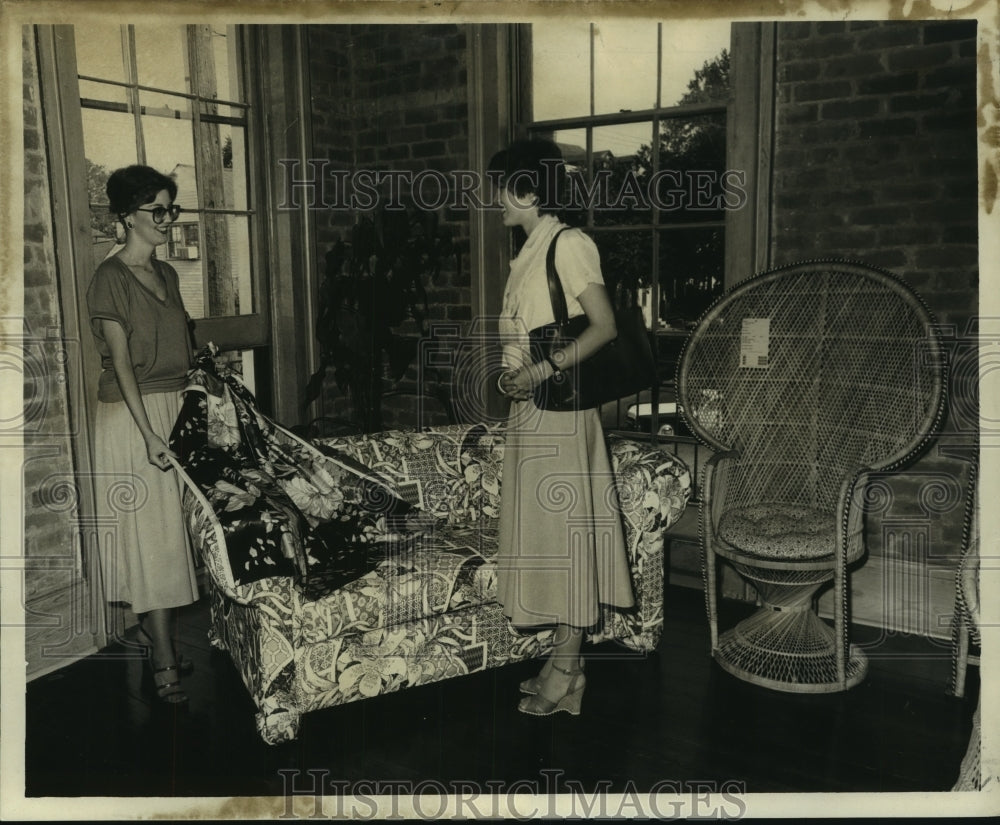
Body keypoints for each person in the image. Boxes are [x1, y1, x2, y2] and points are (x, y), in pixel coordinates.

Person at [489, 139, 635, 716]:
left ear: (527, 189)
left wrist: (543, 368)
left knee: (569, 543)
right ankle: (562, 663)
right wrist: (512, 376)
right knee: (549, 542)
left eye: (500, 186)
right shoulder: (527, 251)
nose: (492, 199)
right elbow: (520, 336)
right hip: (532, 411)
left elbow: (604, 328)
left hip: (564, 413)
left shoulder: (569, 244)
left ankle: (569, 668)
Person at [86, 165, 199, 705]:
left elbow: (179, 344)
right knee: (155, 542)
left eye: (170, 209)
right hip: (135, 418)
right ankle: (164, 656)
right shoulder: (109, 278)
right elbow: (123, 365)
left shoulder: (169, 274)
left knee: (171, 537)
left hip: (173, 407)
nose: (167, 219)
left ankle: (156, 636)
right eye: (158, 209)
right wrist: (151, 434)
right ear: (127, 216)